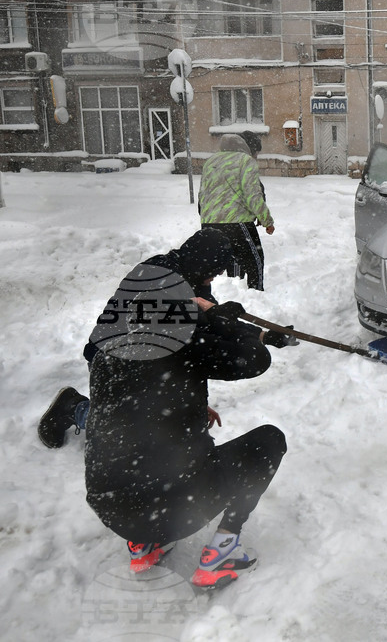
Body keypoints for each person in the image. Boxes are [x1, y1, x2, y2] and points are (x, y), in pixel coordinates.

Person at [38, 229, 296, 588]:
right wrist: (237, 330)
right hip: (174, 510)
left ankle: (142, 545)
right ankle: (221, 554)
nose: (209, 283)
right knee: (269, 441)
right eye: (210, 276)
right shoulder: (180, 333)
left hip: (109, 507)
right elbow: (246, 358)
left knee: (121, 416)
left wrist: (190, 398)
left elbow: (195, 333)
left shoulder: (134, 326)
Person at [199, 132, 274, 291]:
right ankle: (256, 295)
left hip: (209, 223)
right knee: (255, 260)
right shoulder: (245, 161)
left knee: (231, 259)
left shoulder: (210, 162)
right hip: (237, 222)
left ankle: (234, 292)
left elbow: (203, 194)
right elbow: (253, 194)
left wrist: (208, 218)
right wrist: (267, 220)